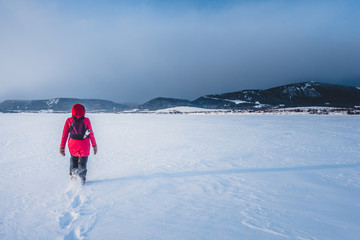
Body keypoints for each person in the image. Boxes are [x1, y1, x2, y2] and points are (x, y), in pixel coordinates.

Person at [59, 103, 97, 184]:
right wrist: (94, 145)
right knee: (82, 163)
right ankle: (82, 180)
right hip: (84, 146)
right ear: (83, 111)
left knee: (73, 159)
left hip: (73, 145)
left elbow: (64, 135)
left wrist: (62, 147)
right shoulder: (86, 120)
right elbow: (91, 134)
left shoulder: (69, 120)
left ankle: (73, 173)